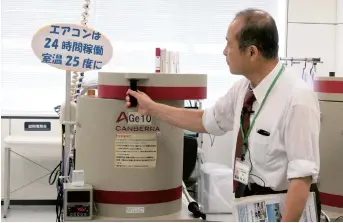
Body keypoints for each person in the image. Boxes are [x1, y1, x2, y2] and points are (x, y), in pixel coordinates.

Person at [125, 8, 321, 222]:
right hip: (251, 203)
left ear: (252, 52)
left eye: (229, 44)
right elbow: (205, 120)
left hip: (285, 208)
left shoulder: (297, 99)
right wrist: (151, 107)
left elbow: (301, 178)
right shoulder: (243, 89)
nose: (224, 51)